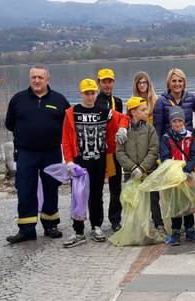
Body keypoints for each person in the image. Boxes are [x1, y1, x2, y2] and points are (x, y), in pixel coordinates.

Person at [5, 65, 70, 243]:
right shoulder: (18, 99)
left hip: (52, 152)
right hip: (26, 153)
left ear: (47, 79)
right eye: (34, 77)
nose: (37, 80)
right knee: (25, 190)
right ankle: (26, 230)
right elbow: (9, 123)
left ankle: (50, 225)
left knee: (51, 188)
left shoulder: (59, 100)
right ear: (30, 79)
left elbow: (68, 126)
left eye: (41, 77)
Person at [61, 79, 123, 247]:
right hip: (79, 162)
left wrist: (122, 129)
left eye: (92, 93)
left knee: (97, 195)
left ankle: (96, 226)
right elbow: (66, 139)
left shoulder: (105, 111)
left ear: (96, 93)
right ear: (81, 93)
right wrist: (68, 161)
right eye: (86, 93)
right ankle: (78, 231)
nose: (90, 97)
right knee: (78, 196)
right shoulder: (71, 112)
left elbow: (123, 118)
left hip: (99, 160)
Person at [159, 107, 195, 246]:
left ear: (183, 122)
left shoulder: (190, 137)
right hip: (173, 177)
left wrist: (187, 170)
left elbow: (194, 155)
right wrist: (175, 171)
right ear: (170, 123)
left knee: (188, 203)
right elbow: (165, 157)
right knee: (175, 204)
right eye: (174, 121)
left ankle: (190, 230)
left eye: (179, 121)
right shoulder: (166, 138)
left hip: (187, 175)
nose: (177, 124)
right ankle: (176, 231)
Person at [115, 96, 160, 230]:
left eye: (146, 109)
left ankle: (159, 224)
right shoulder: (123, 131)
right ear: (133, 112)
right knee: (132, 201)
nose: (147, 112)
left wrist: (142, 168)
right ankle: (134, 228)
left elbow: (154, 150)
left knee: (154, 201)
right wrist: (133, 167)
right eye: (143, 109)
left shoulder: (150, 128)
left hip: (149, 172)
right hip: (130, 173)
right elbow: (120, 152)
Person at [95, 68, 123, 231]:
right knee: (97, 187)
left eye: (109, 81)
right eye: (104, 81)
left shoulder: (117, 101)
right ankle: (96, 221)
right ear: (99, 83)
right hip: (98, 152)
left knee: (116, 187)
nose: (107, 85)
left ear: (113, 82)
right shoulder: (93, 100)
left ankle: (115, 220)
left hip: (113, 151)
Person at [153, 68, 195, 139]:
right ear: (169, 83)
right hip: (169, 144)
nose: (177, 84)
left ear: (184, 83)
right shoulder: (161, 102)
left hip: (188, 142)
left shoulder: (192, 98)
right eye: (174, 81)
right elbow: (157, 128)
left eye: (180, 81)